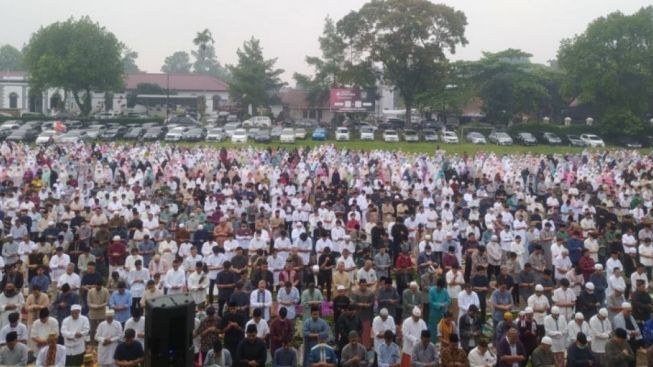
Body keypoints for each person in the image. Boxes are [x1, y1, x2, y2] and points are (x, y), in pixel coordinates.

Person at [427, 278, 449, 343]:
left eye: (442, 288)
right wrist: (439, 305)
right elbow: (430, 302)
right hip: (434, 313)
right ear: (437, 285)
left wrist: (445, 304)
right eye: (440, 288)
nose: (441, 289)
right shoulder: (431, 290)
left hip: (443, 313)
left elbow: (448, 300)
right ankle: (432, 343)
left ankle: (442, 343)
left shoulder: (445, 290)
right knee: (433, 329)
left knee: (442, 328)